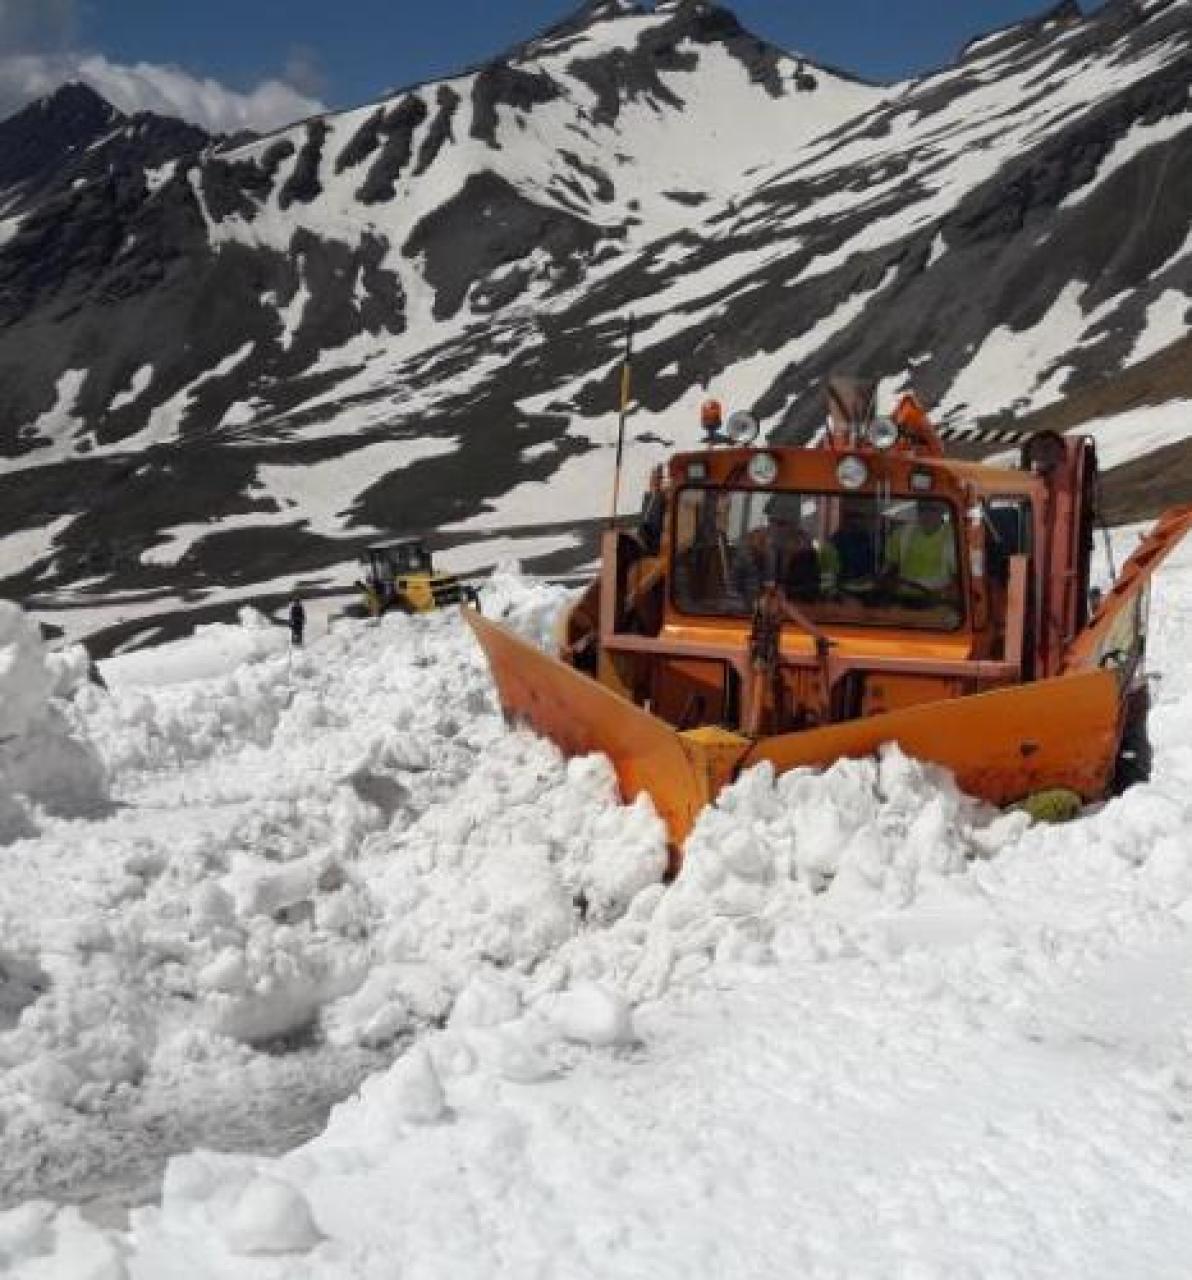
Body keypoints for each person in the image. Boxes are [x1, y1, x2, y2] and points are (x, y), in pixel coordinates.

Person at [733, 512, 821, 605]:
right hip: (752, 606)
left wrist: (784, 591)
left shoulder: (805, 554)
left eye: (784, 525)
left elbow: (812, 588)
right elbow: (737, 586)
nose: (781, 531)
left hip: (794, 606)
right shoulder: (752, 549)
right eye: (776, 524)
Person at [883, 504, 957, 599]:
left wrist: (945, 594)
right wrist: (888, 583)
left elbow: (960, 579)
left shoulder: (955, 537)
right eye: (922, 510)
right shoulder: (902, 533)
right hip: (903, 596)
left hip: (937, 600)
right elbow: (890, 567)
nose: (927, 514)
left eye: (933, 510)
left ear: (942, 511)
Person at [821, 501, 878, 592]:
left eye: (860, 517)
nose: (857, 521)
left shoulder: (867, 538)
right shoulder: (837, 540)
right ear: (846, 520)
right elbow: (831, 567)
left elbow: (871, 560)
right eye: (854, 517)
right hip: (844, 585)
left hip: (865, 584)